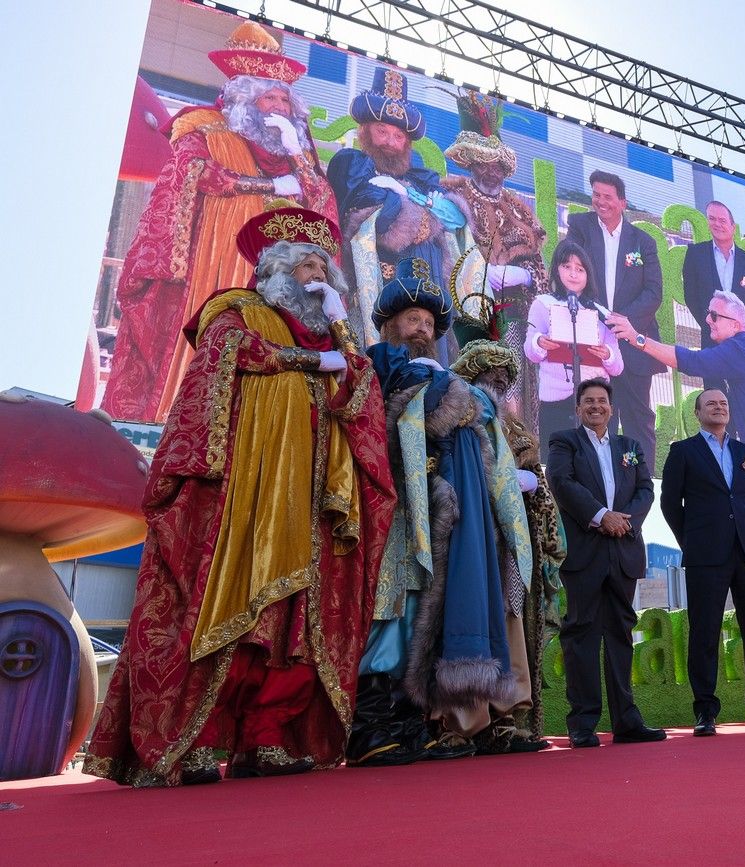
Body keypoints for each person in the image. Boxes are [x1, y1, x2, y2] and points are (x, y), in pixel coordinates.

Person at [85, 208, 394, 786]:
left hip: (312, 505)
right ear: (273, 270)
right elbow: (227, 357)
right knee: (224, 607)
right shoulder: (238, 312)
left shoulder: (333, 336)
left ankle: (267, 739)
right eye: (304, 265)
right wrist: (306, 359)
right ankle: (197, 742)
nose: (314, 276)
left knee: (296, 627)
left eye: (322, 269)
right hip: (244, 493)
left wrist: (341, 331)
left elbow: (361, 394)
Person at [103, 22, 338, 423]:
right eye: (271, 98)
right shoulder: (202, 126)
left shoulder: (297, 146)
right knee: (215, 329)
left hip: (282, 269)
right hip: (218, 255)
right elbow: (194, 173)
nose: (281, 107)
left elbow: (321, 200)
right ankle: (183, 419)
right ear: (246, 98)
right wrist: (267, 184)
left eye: (285, 99)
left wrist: (297, 153)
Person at [359, 260, 544, 760]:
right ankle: (375, 731)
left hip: (455, 515)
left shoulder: (445, 379)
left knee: (433, 613)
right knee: (394, 613)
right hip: (400, 509)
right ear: (389, 324)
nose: (421, 329)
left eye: (427, 322)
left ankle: (420, 726)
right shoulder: (377, 365)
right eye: (412, 319)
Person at [451, 338, 568, 743]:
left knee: (511, 620)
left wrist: (533, 481)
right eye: (490, 375)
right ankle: (464, 722)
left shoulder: (515, 426)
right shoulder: (454, 414)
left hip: (510, 542)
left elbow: (536, 477)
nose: (498, 382)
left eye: (504, 377)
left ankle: (506, 719)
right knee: (469, 619)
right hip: (465, 537)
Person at [545, 379, 665, 747]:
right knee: (581, 634)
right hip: (585, 550)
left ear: (611, 409)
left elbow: (647, 489)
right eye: (588, 401)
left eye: (602, 401)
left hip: (624, 548)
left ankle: (627, 722)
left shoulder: (630, 446)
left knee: (620, 634)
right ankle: (582, 723)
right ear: (578, 408)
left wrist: (623, 519)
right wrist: (601, 515)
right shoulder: (564, 441)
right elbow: (561, 483)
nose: (596, 406)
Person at [660, 388, 745, 736]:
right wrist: (694, 541)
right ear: (697, 411)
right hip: (705, 555)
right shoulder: (682, 451)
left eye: (724, 403)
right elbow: (670, 505)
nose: (719, 407)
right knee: (705, 632)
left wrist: (739, 530)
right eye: (711, 403)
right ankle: (705, 712)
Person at [607, 291, 745, 492]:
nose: (707, 319)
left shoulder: (739, 350)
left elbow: (692, 362)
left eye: (714, 315)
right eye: (707, 313)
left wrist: (636, 339)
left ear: (735, 325)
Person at [327, 68, 463, 348]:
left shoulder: (419, 179)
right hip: (376, 287)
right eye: (382, 131)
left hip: (427, 290)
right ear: (365, 131)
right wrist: (421, 213)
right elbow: (375, 219)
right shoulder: (352, 165)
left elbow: (455, 218)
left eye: (398, 136)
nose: (390, 142)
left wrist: (406, 194)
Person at [442, 90, 548, 429]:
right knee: (474, 384)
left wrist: (525, 277)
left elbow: (540, 266)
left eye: (497, 165)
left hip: (514, 314)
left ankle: (518, 449)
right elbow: (446, 250)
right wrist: (478, 275)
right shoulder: (452, 196)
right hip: (469, 314)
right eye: (484, 164)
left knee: (512, 385)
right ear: (471, 162)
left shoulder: (520, 209)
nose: (492, 172)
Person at [565, 171, 665, 463]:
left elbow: (654, 291)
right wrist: (599, 320)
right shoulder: (580, 226)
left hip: (634, 341)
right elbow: (570, 274)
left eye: (607, 197)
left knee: (638, 419)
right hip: (592, 339)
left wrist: (624, 322)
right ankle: (599, 480)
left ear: (622, 202)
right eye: (596, 194)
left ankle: (641, 483)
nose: (600, 201)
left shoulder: (643, 242)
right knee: (597, 418)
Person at [525, 239, 624, 441]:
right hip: (556, 403)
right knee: (559, 464)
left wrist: (607, 354)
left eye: (580, 269)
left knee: (597, 466)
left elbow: (618, 367)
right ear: (556, 270)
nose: (573, 274)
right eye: (566, 266)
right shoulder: (542, 304)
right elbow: (530, 350)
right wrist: (539, 342)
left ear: (588, 275)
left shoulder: (601, 312)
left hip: (595, 403)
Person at [682, 201, 745, 362]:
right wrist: (714, 325)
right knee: (715, 388)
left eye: (722, 220)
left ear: (733, 227)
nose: (717, 224)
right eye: (712, 219)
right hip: (713, 349)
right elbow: (691, 298)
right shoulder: (695, 255)